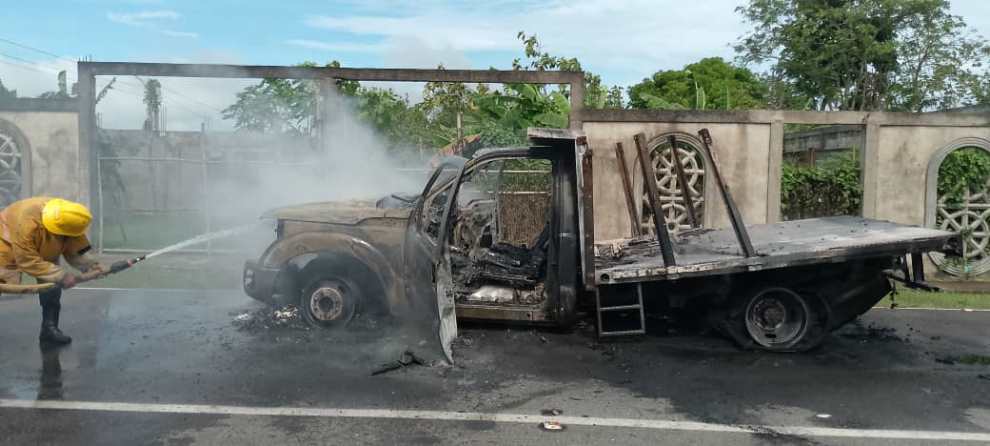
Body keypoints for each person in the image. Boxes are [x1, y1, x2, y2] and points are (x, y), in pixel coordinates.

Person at [0, 197, 106, 344]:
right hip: (7, 241)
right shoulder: (27, 221)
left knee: (52, 287)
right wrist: (62, 275)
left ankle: (49, 329)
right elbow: (26, 260)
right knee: (5, 284)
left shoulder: (69, 219)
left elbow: (75, 250)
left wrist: (91, 265)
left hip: (43, 243)